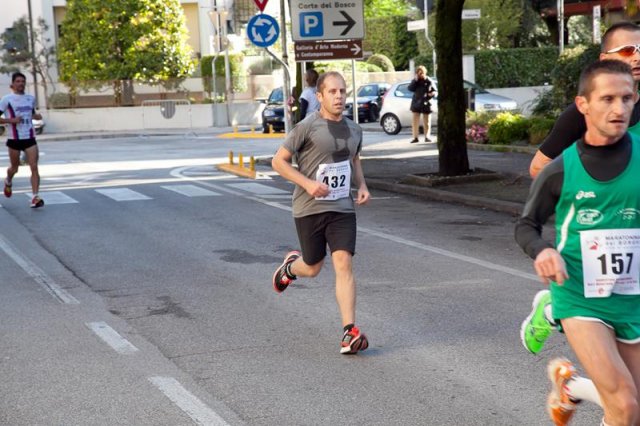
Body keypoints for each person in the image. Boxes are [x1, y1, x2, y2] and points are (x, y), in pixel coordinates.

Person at [515, 59, 640, 426]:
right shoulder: (562, 168)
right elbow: (526, 225)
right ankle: (554, 309)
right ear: (583, 105)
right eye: (607, 99)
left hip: (632, 294)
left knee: (633, 407)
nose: (618, 109)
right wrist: (543, 250)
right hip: (580, 294)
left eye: (626, 98)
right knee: (625, 404)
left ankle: (569, 388)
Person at [271, 71, 371, 355]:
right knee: (313, 267)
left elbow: (353, 158)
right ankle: (291, 267)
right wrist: (308, 183)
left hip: (341, 208)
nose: (339, 97)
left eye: (342, 91)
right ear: (320, 96)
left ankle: (348, 332)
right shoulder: (307, 126)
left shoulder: (354, 129)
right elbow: (278, 162)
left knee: (343, 263)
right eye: (332, 92)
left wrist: (361, 185)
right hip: (309, 207)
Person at [0, 72, 44, 208]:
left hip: (29, 137)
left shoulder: (30, 98)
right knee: (15, 167)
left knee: (34, 167)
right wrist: (11, 120)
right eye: (18, 81)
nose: (21, 84)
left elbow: (31, 113)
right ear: (12, 84)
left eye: (23, 81)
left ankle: (35, 197)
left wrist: (36, 116)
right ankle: (8, 181)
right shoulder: (6, 99)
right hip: (14, 139)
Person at [407, 65, 436, 143]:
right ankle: (415, 137)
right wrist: (415, 80)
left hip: (426, 103)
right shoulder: (415, 81)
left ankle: (427, 137)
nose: (420, 75)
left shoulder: (429, 81)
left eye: (421, 73)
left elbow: (435, 91)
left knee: (427, 122)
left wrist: (432, 94)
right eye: (419, 73)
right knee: (415, 122)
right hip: (416, 103)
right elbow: (410, 88)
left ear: (424, 73)